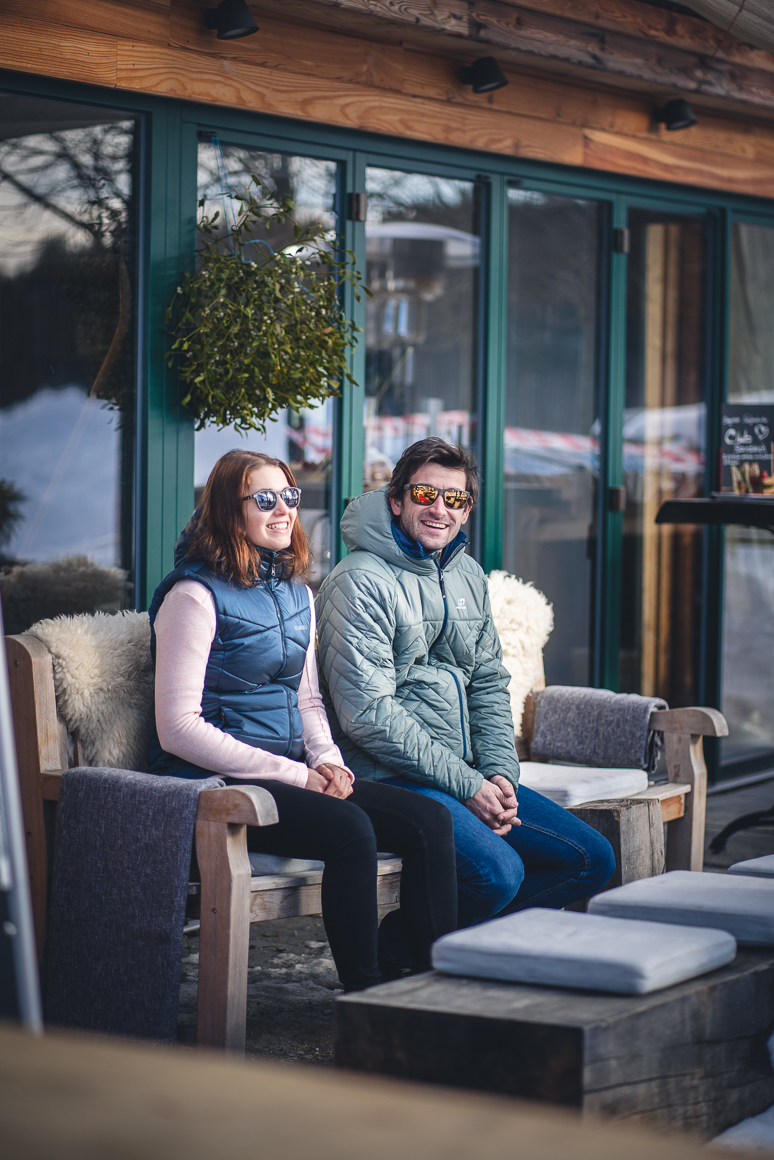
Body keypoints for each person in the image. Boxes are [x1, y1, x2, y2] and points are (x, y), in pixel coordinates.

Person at [147, 448, 457, 992]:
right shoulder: (193, 596)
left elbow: (307, 701)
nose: (283, 509)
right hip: (209, 783)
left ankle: (426, 985)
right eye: (263, 499)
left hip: (291, 771)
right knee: (349, 830)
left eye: (289, 496)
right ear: (227, 509)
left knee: (429, 822)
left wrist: (330, 765)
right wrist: (296, 776)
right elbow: (178, 727)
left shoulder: (297, 594)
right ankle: (366, 994)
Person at [315, 437, 616, 933]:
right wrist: (467, 784)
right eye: (424, 494)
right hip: (387, 775)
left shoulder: (467, 575)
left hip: (467, 772)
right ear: (395, 499)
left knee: (590, 858)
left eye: (454, 499)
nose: (439, 509)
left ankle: (430, 946)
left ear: (468, 509)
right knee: (498, 875)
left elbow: (490, 682)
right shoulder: (358, 580)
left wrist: (498, 772)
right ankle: (408, 955)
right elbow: (368, 714)